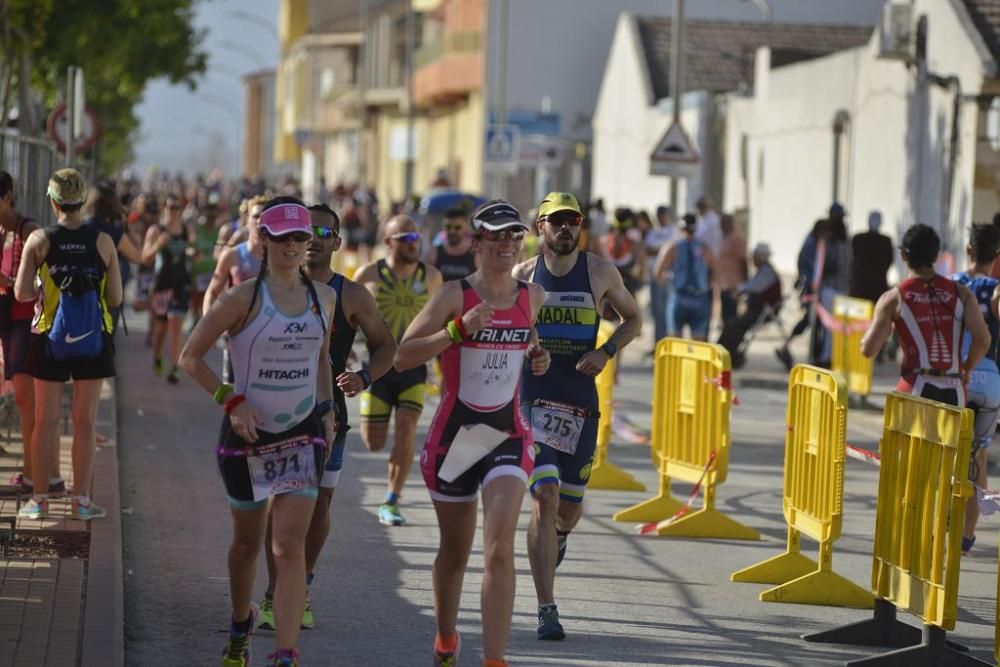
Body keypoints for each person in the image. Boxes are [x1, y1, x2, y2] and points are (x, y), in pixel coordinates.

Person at [178, 198, 337, 667]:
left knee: (288, 546)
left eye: (300, 237)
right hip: (246, 440)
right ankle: (239, 625)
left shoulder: (323, 299)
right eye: (282, 237)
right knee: (248, 545)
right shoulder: (241, 298)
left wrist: (326, 408)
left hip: (300, 436)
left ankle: (285, 653)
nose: (292, 246)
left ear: (310, 241)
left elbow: (322, 358)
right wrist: (230, 400)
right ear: (263, 240)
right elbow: (190, 357)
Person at [394, 199, 550, 667]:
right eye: (496, 236)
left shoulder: (532, 295)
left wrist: (537, 358)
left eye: (513, 236)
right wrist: (457, 330)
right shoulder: (453, 295)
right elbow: (403, 356)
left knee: (499, 548)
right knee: (454, 554)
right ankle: (445, 639)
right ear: (478, 242)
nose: (506, 244)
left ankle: (494, 660)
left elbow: (528, 343)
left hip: (507, 434)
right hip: (455, 439)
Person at [255, 202, 397, 630]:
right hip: (274, 411)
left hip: (327, 415)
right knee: (278, 504)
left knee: (322, 503)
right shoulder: (271, 286)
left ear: (337, 241)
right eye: (306, 230)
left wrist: (364, 377)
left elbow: (387, 345)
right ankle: (274, 591)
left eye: (324, 232)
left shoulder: (351, 294)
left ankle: (303, 582)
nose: (314, 238)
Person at [513, 192, 641, 640]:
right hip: (533, 402)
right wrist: (527, 350)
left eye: (574, 220)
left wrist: (605, 351)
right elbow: (508, 334)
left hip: (581, 404)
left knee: (567, 509)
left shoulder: (601, 272)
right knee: (543, 496)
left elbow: (634, 320)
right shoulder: (523, 277)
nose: (566, 228)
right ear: (539, 228)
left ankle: (561, 536)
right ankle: (547, 608)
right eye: (557, 221)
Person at [14, 168, 122, 520]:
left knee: (45, 421)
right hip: (94, 338)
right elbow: (116, 296)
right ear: (81, 201)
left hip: (49, 338)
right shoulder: (103, 241)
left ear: (53, 201)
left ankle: (40, 500)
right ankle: (82, 502)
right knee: (85, 424)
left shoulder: (38, 240)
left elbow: (22, 292)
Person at [353, 216, 443, 526]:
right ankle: (390, 474)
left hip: (414, 367)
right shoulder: (368, 274)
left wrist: (442, 366)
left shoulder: (431, 277)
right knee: (373, 442)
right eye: (405, 238)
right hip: (377, 367)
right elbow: (347, 311)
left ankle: (392, 499)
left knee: (406, 430)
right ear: (389, 241)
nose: (412, 244)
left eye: (416, 238)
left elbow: (444, 320)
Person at [861, 224, 989, 407]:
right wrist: (967, 367)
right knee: (950, 437)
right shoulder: (962, 293)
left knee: (900, 436)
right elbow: (983, 339)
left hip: (914, 385)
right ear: (935, 256)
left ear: (904, 255)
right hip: (955, 387)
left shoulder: (893, 297)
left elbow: (869, 349)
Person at [952, 223, 1000, 555]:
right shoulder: (996, 289)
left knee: (949, 453)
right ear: (996, 257)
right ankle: (967, 535)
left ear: (968, 250)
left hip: (956, 378)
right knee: (979, 456)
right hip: (991, 378)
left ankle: (945, 520)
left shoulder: (952, 285)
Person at [0, 171, 49, 495]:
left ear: (7, 197)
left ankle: (33, 477)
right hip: (5, 319)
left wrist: (10, 283)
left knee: (25, 400)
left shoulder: (29, 231)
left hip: (22, 322)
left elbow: (41, 283)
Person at [142, 193, 195, 384]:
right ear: (164, 209)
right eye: (169, 207)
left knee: (175, 324)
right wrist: (158, 244)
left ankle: (175, 368)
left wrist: (192, 253)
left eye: (176, 208)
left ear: (181, 211)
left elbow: (192, 251)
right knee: (161, 330)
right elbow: (145, 258)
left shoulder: (186, 231)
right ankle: (157, 355)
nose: (173, 212)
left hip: (181, 284)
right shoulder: (156, 230)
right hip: (161, 286)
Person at [84, 180, 143, 333]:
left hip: (79, 292)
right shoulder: (113, 232)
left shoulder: (80, 226)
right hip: (108, 297)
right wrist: (127, 227)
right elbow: (137, 256)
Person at [775, 218, 830, 370]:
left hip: (811, 287)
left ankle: (789, 346)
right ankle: (796, 349)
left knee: (810, 321)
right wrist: (810, 284)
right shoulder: (812, 244)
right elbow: (808, 266)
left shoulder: (813, 241)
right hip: (811, 289)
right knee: (810, 320)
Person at [717, 243, 782, 367]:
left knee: (734, 325)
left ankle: (728, 354)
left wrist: (739, 290)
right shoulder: (763, 270)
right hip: (757, 309)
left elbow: (754, 287)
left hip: (762, 311)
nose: (753, 260)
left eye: (754, 257)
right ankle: (726, 352)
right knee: (733, 324)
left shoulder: (767, 272)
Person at [655, 213, 714, 341]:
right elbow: (714, 275)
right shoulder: (705, 247)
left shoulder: (672, 246)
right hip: (700, 297)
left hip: (679, 296)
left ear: (680, 228)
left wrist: (669, 279)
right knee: (698, 343)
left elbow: (658, 273)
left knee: (675, 341)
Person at [643, 205, 675, 348]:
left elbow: (672, 251)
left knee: (667, 311)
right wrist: (662, 250)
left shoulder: (673, 231)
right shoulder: (653, 233)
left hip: (668, 277)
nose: (660, 218)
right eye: (658, 215)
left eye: (662, 215)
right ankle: (658, 344)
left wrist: (659, 251)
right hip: (654, 276)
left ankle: (667, 343)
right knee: (657, 312)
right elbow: (647, 250)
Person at [850, 210, 894, 303]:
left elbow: (889, 260)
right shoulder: (858, 239)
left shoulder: (885, 241)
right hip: (863, 284)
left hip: (874, 284)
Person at [424, 207, 477, 282]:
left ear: (466, 227)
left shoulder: (476, 254)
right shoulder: (433, 253)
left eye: (457, 227)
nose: (452, 231)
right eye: (448, 227)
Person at [715, 213, 747, 325]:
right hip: (724, 283)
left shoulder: (736, 239)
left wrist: (745, 282)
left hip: (733, 284)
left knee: (731, 317)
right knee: (725, 316)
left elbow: (743, 260)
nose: (721, 226)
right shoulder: (724, 238)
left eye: (723, 223)